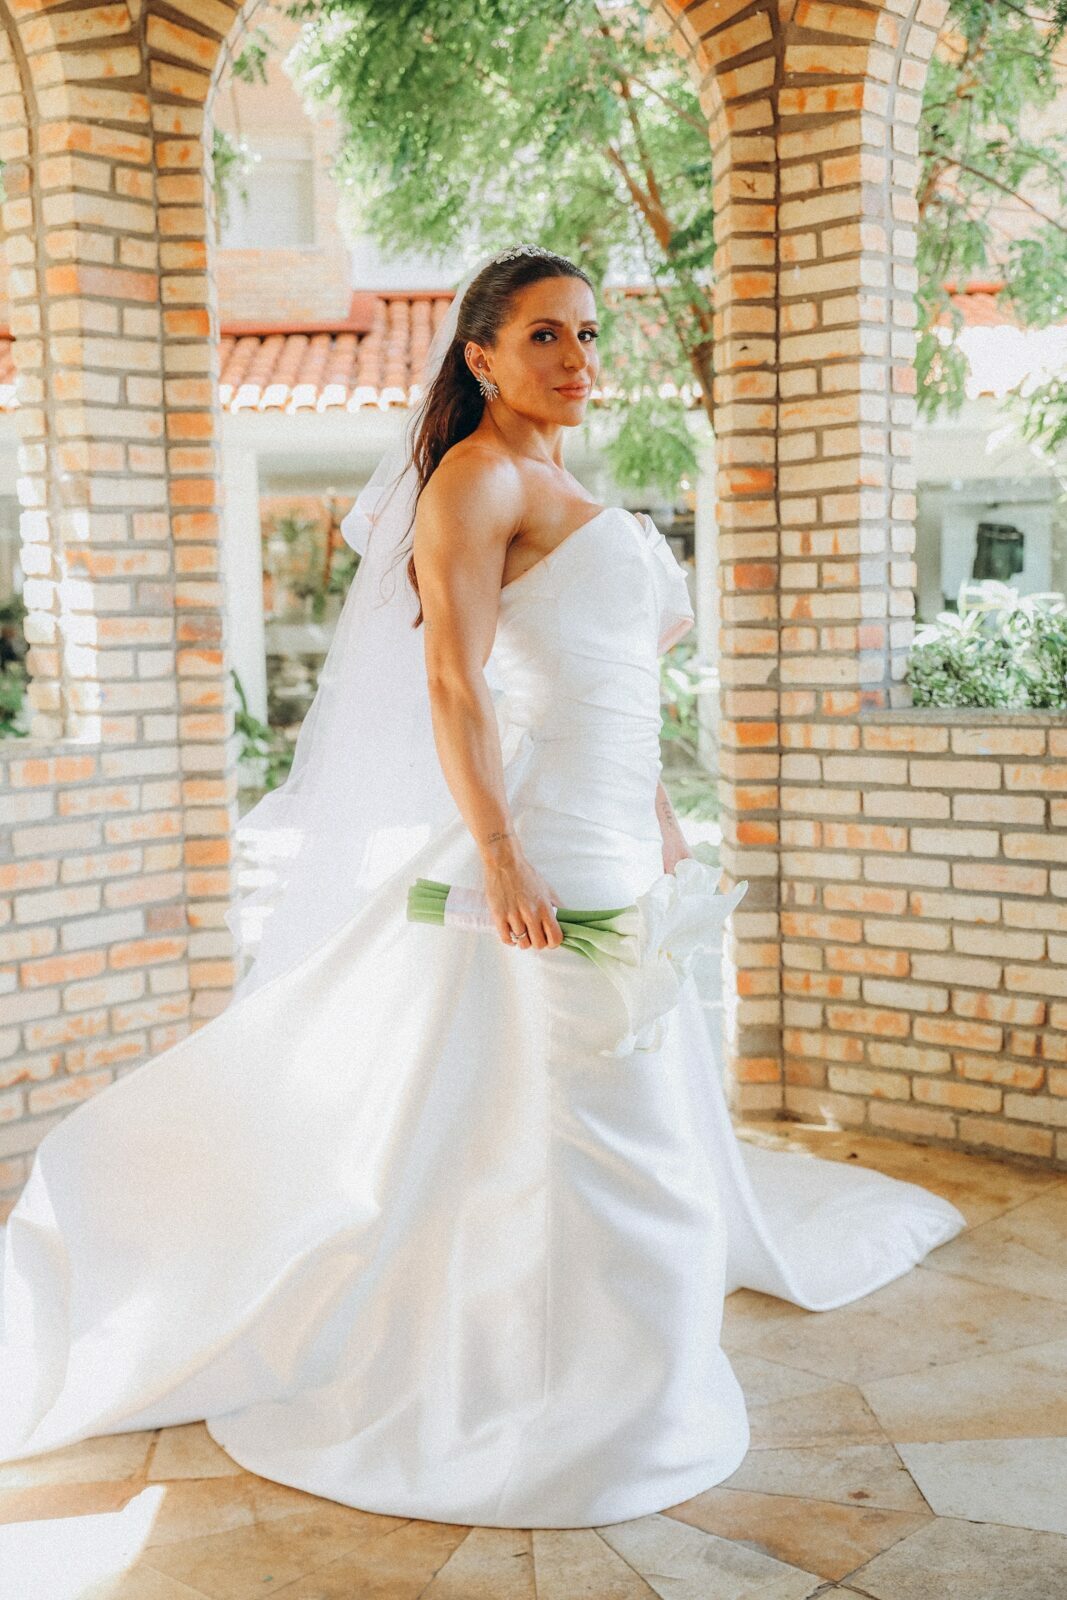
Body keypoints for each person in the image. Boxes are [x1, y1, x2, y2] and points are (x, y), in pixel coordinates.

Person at [0, 244, 966, 1529]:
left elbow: (618, 692)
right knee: (582, 1129)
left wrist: (664, 825)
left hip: (621, 844)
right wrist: (503, 854)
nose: (576, 357)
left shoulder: (562, 482)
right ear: (480, 356)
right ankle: (553, 1418)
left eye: (586, 334)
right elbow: (454, 681)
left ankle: (630, 1395)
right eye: (544, 335)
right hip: (544, 851)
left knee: (636, 1121)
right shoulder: (475, 477)